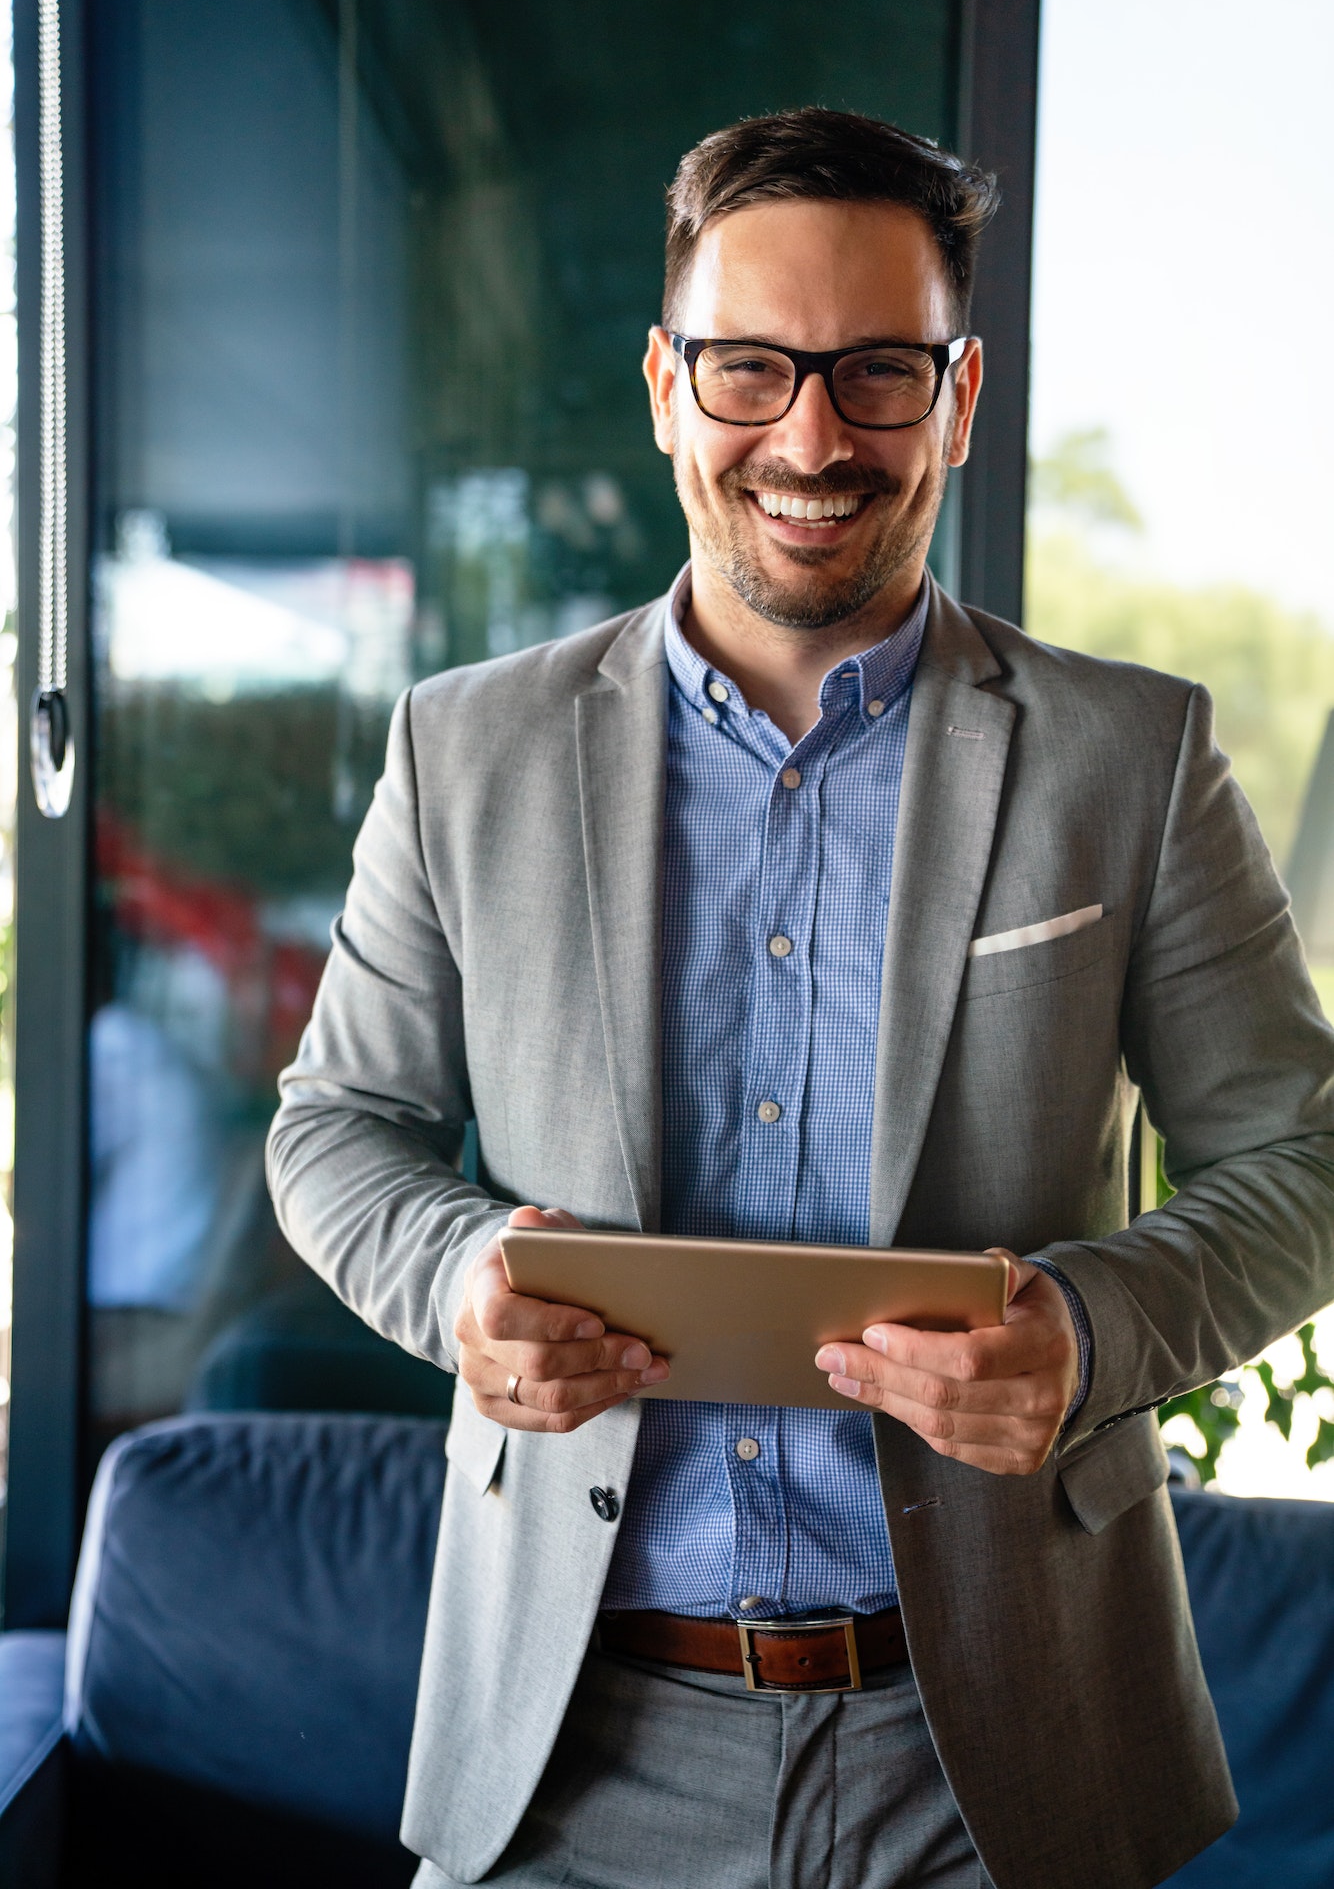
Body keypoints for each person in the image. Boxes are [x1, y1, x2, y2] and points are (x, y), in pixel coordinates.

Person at [267, 107, 1334, 1889]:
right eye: (751, 369)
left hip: (1000, 1752)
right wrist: (460, 1281)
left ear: (960, 395)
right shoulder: (467, 752)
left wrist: (1081, 1335)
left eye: (877, 373)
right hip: (569, 1753)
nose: (813, 438)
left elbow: (1299, 1162)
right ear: (668, 385)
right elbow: (336, 1130)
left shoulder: (1127, 757)